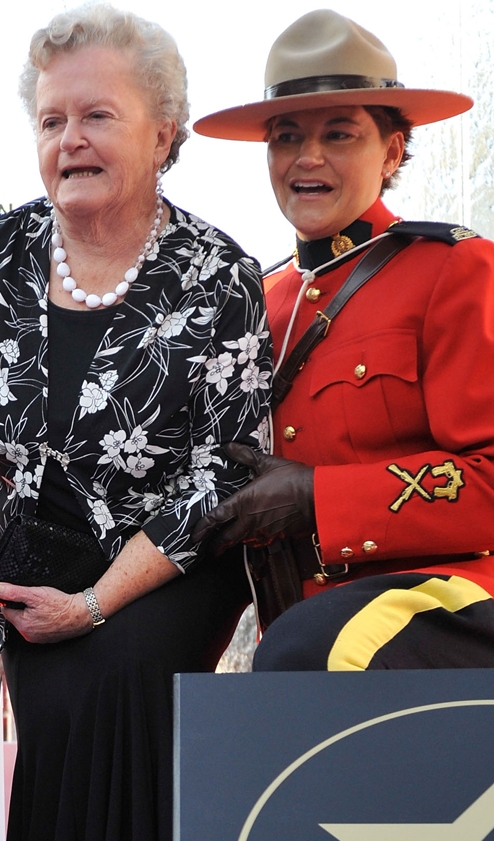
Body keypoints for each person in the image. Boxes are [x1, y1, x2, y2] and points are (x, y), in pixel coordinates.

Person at [0, 5, 271, 838]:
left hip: (166, 561)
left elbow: (225, 472)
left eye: (98, 115)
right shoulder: (0, 249)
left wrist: (97, 603)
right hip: (36, 555)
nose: (70, 138)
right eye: (52, 120)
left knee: (108, 671)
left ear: (163, 133)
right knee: (41, 704)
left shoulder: (220, 274)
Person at [192, 10, 494, 671]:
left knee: (311, 650)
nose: (307, 156)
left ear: (391, 151)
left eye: (339, 133)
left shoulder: (455, 269)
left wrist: (317, 497)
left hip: (450, 602)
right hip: (298, 623)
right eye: (286, 136)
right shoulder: (255, 303)